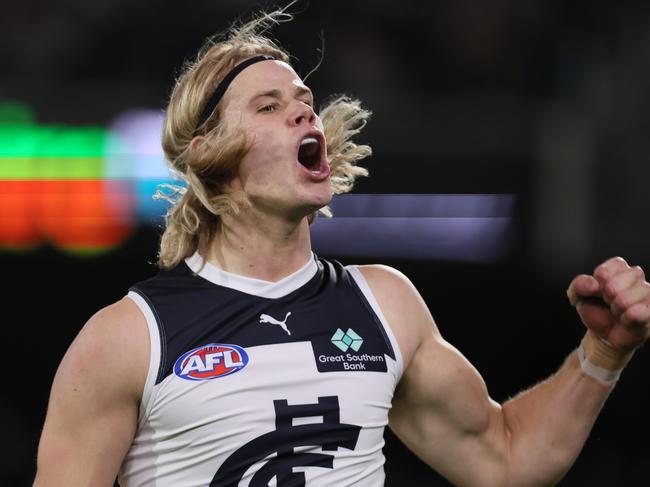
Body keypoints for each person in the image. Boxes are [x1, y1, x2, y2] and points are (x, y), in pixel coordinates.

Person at [34, 6, 650, 487]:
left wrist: (601, 354)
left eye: (305, 103)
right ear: (207, 151)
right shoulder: (129, 338)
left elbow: (507, 458)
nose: (304, 115)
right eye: (270, 107)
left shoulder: (385, 304)